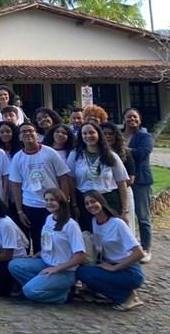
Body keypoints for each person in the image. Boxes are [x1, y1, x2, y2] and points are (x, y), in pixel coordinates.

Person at [8, 188, 85, 304]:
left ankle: (62, 296)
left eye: (52, 200)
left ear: (61, 202)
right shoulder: (49, 219)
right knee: (14, 265)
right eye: (46, 199)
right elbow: (49, 242)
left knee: (29, 291)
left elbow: (80, 256)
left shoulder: (71, 225)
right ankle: (41, 286)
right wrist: (39, 253)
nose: (49, 202)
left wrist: (56, 269)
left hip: (65, 270)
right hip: (45, 262)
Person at [75, 190, 146, 310]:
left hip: (129, 270)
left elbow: (139, 253)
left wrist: (115, 268)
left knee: (87, 274)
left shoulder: (118, 224)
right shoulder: (95, 222)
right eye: (87, 203)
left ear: (101, 202)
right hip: (110, 263)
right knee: (82, 272)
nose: (90, 205)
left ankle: (125, 297)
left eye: (93, 201)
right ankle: (112, 292)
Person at [9, 122, 70, 252]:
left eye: (31, 131)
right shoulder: (17, 158)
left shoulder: (50, 153)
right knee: (37, 240)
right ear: (19, 137)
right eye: (23, 131)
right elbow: (15, 186)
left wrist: (64, 203)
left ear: (37, 135)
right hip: (31, 206)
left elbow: (63, 178)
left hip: (53, 205)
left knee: (58, 238)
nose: (27, 134)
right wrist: (20, 211)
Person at [67, 122, 131, 230]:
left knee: (110, 235)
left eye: (92, 132)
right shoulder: (75, 155)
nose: (88, 136)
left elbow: (122, 183)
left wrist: (125, 211)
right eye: (84, 133)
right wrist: (74, 204)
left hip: (109, 201)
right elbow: (70, 181)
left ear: (99, 134)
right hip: (84, 202)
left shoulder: (111, 156)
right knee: (88, 235)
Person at [122, 108, 153, 262]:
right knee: (124, 214)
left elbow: (142, 153)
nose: (132, 119)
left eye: (135, 117)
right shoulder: (120, 135)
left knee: (143, 216)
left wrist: (122, 150)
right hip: (121, 180)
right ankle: (128, 248)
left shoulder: (144, 136)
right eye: (128, 117)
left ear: (140, 120)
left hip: (140, 180)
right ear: (124, 119)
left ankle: (146, 248)